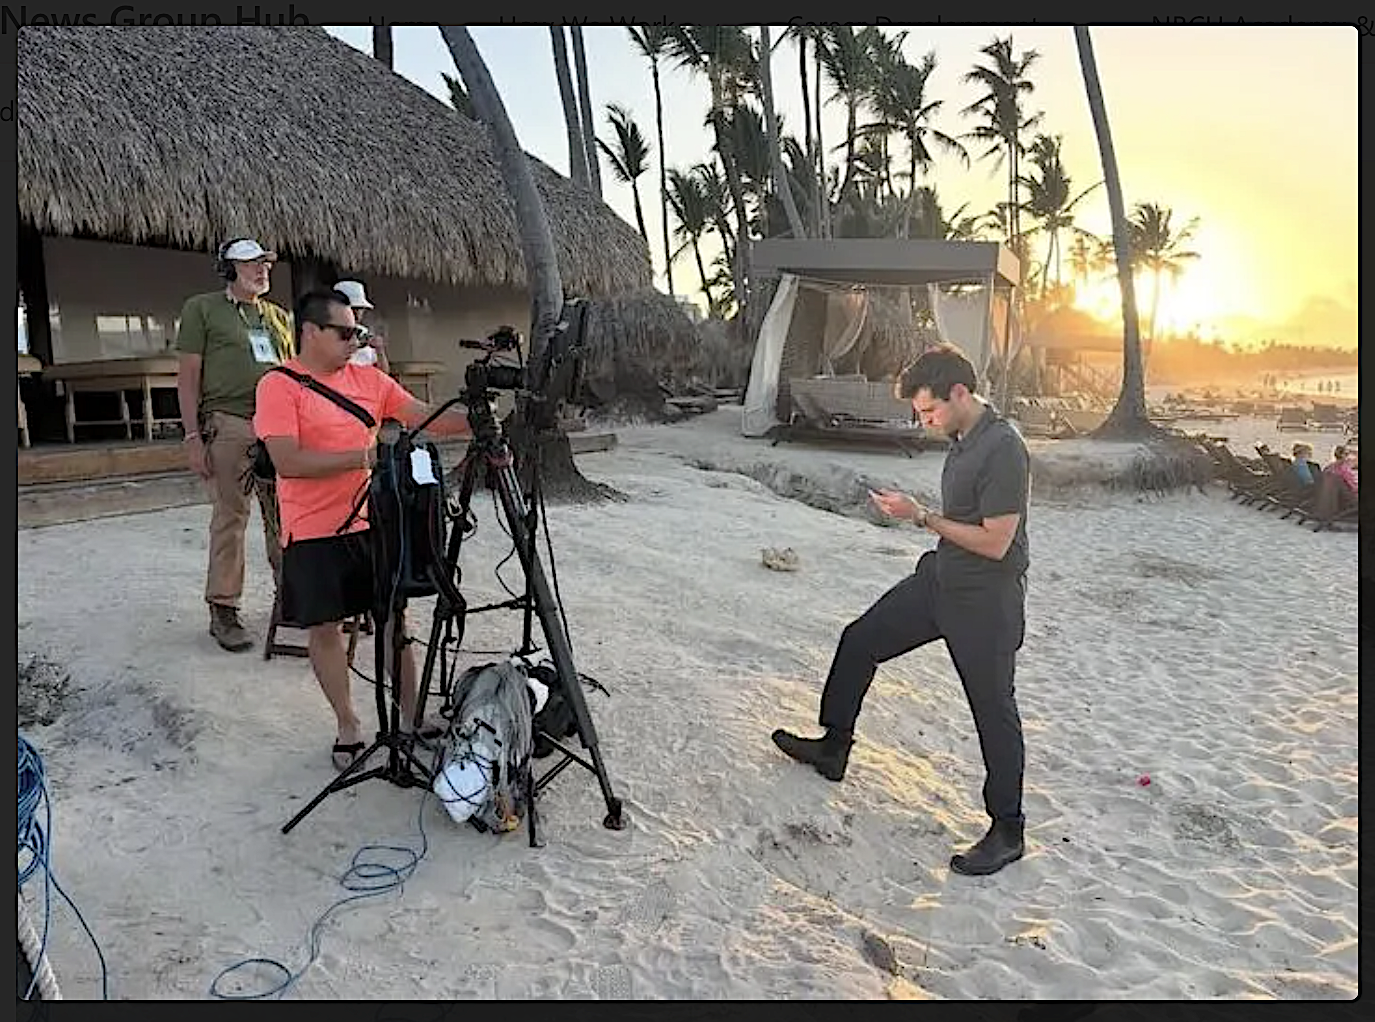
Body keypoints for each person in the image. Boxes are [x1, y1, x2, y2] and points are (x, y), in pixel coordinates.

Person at [771, 343, 1031, 877]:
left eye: (929, 411)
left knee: (993, 708)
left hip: (985, 601)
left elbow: (997, 542)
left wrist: (921, 517)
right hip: (940, 580)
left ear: (959, 393)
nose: (926, 422)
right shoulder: (962, 436)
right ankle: (834, 746)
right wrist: (920, 519)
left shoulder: (1004, 446)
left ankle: (1008, 829)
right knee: (859, 639)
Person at [253, 289, 471, 770]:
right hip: (313, 529)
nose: (356, 340)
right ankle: (348, 723)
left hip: (374, 520)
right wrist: (362, 458)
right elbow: (286, 461)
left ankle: (411, 716)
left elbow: (422, 417)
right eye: (345, 332)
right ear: (310, 332)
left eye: (359, 332)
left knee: (395, 617)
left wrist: (483, 420)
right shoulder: (279, 386)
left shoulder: (370, 380)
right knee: (325, 628)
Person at [175, 238, 294, 652]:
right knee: (231, 515)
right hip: (229, 423)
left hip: (277, 426)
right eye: (249, 264)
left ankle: (291, 595)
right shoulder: (202, 309)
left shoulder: (279, 316)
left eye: (264, 263)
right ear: (229, 269)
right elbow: (188, 376)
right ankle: (223, 608)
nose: (261, 270)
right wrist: (192, 436)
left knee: (286, 514)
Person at [332, 279, 391, 373]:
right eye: (353, 308)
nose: (357, 313)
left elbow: (384, 373)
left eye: (360, 308)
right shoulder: (328, 333)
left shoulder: (365, 333)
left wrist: (379, 350)